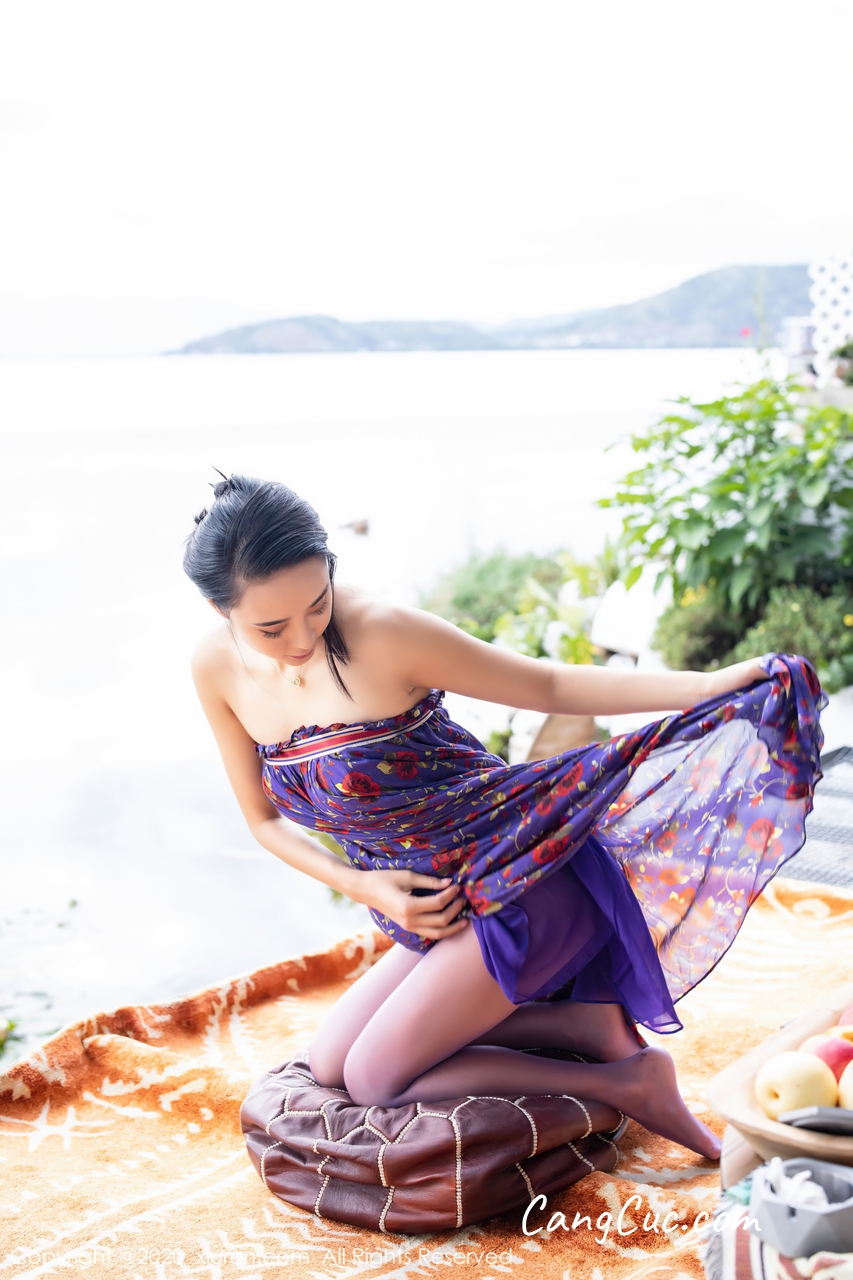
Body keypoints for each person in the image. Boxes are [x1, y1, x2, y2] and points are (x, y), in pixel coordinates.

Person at [184, 474, 824, 1163]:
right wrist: (364, 885)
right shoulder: (215, 669)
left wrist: (705, 685)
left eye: (318, 603)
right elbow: (262, 822)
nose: (304, 636)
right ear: (220, 610)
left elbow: (546, 683)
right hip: (437, 906)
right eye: (271, 628)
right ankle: (583, 1027)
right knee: (330, 1064)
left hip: (522, 874)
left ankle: (629, 1082)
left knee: (372, 1078)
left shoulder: (382, 633)